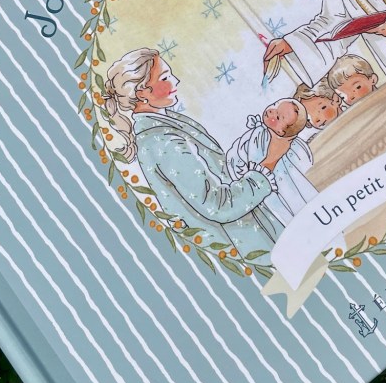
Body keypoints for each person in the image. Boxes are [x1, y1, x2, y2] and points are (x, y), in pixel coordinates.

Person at [104, 48, 292, 256]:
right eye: (165, 78)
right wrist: (269, 162)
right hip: (240, 242)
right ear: (142, 93)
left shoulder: (167, 125)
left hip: (248, 231)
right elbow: (218, 205)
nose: (175, 81)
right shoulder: (161, 142)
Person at [227, 99, 315, 228]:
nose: (271, 111)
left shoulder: (263, 136)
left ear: (280, 132)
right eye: (275, 105)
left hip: (268, 177)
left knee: (288, 199)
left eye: (278, 117)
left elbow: (253, 156)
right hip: (256, 176)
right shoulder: (261, 132)